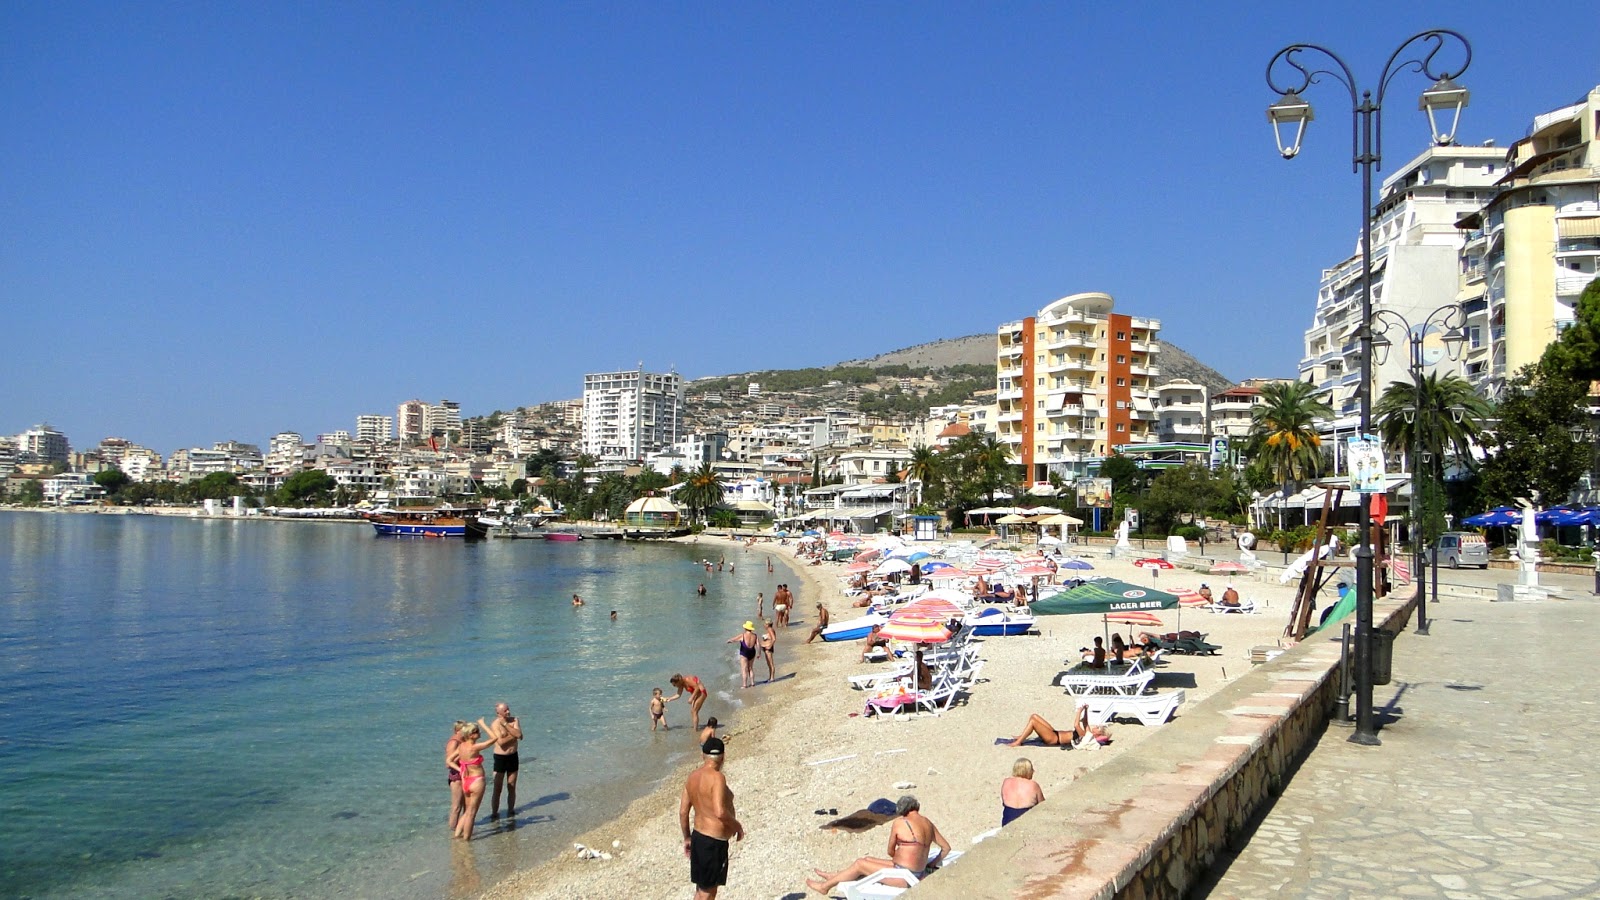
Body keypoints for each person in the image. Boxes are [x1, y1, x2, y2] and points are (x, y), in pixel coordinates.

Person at [805, 795, 950, 896]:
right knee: (867, 860)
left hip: (904, 876)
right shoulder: (928, 823)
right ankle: (833, 876)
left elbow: (890, 851)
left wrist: (900, 856)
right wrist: (931, 864)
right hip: (915, 872)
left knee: (860, 864)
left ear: (902, 810)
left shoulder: (900, 822)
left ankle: (824, 887)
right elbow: (946, 848)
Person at [680, 737, 744, 900]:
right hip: (713, 842)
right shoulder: (717, 777)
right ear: (723, 757)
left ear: (703, 755)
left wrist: (687, 837)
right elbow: (720, 811)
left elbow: (683, 812)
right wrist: (737, 826)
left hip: (698, 837)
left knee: (701, 889)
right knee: (709, 892)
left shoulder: (692, 777)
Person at [451, 720, 499, 840]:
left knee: (467, 811)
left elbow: (449, 760)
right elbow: (495, 738)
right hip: (476, 780)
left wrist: (461, 769)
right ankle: (467, 840)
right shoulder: (474, 747)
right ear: (471, 735)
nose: (479, 732)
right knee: (471, 814)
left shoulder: (461, 746)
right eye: (477, 731)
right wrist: (483, 723)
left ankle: (456, 836)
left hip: (466, 781)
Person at [1005, 705, 1105, 748]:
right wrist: (1085, 710)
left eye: (1097, 727)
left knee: (1033, 722)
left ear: (1097, 733)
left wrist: (1079, 711)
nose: (1095, 726)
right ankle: (1021, 736)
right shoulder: (1088, 733)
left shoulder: (1086, 736)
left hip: (1053, 739)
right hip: (1055, 733)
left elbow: (1076, 724)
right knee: (1034, 716)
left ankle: (1018, 742)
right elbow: (1085, 722)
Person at [487, 702, 523, 820]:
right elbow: (501, 743)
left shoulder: (514, 720)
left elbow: (520, 735)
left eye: (508, 709)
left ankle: (511, 811)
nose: (508, 712)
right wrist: (514, 734)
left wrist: (507, 726)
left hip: (513, 755)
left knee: (511, 785)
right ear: (499, 713)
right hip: (500, 757)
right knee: (498, 788)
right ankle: (494, 813)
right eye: (505, 710)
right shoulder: (495, 724)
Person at [1000, 757, 1045, 825]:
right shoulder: (1033, 785)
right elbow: (1042, 805)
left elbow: (1004, 801)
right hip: (1026, 818)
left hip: (1008, 818)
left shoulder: (1006, 781)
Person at [445, 719, 467, 831]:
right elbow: (448, 763)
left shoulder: (464, 741)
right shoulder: (453, 742)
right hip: (456, 776)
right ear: (457, 730)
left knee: (467, 805)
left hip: (465, 775)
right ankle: (453, 829)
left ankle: (463, 828)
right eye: (464, 729)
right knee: (456, 806)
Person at [727, 621, 759, 689]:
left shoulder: (743, 635)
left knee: (744, 669)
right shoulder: (755, 636)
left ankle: (744, 685)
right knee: (750, 668)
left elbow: (734, 639)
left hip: (744, 653)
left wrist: (729, 640)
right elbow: (758, 645)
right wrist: (759, 653)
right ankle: (752, 683)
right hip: (752, 652)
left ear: (745, 628)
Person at [759, 619, 777, 683]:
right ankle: (770, 677)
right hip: (767, 648)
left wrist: (770, 646)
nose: (764, 625)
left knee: (770, 663)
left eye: (765, 624)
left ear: (768, 624)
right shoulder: (770, 630)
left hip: (768, 648)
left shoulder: (770, 629)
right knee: (769, 663)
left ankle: (772, 678)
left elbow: (774, 639)